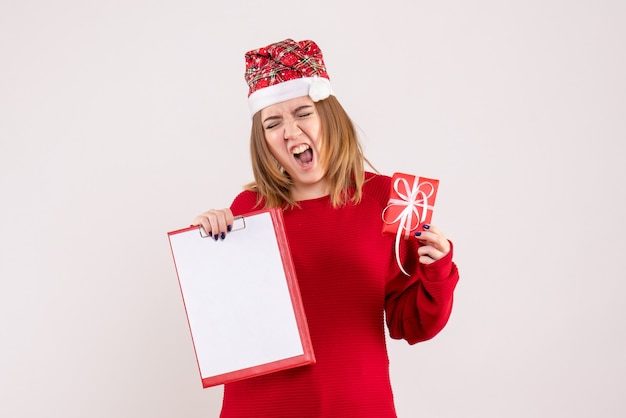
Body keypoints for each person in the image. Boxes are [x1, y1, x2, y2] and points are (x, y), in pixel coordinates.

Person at [193, 38, 459, 418]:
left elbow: (411, 325)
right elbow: (224, 323)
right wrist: (206, 245)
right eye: (273, 123)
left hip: (357, 406)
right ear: (263, 140)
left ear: (328, 115)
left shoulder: (390, 198)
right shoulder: (246, 210)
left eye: (302, 112)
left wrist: (436, 269)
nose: (290, 131)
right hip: (260, 407)